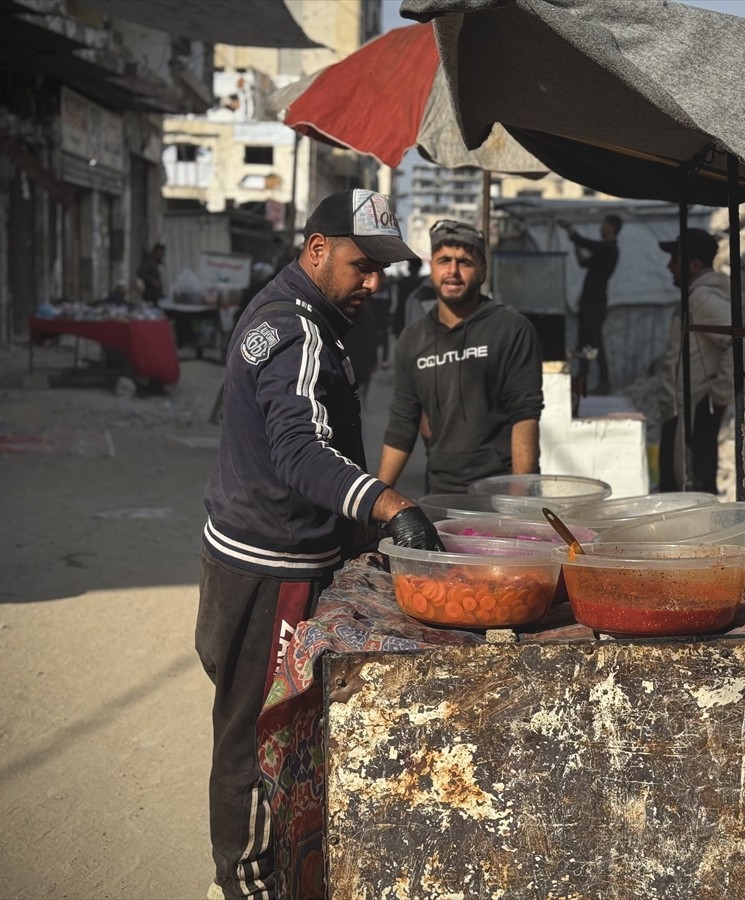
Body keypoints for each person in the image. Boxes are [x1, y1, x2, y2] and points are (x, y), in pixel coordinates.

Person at [197, 189, 445, 900]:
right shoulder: (295, 328)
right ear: (316, 249)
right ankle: (244, 882)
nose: (373, 284)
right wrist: (387, 501)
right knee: (254, 733)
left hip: (262, 557)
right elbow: (300, 452)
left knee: (276, 729)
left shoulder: (310, 315)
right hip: (266, 569)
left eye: (381, 273)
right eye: (362, 266)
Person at [378, 219, 545, 495]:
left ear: (482, 271)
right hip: (440, 492)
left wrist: (519, 504)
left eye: (464, 262)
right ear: (432, 267)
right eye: (444, 260)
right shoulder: (413, 339)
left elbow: (525, 416)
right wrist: (377, 498)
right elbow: (401, 424)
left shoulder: (512, 329)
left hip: (499, 491)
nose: (452, 271)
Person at [656, 228, 736, 495]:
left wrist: (718, 394)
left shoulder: (701, 297)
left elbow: (742, 341)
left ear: (694, 264)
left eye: (675, 261)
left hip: (695, 406)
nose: (669, 267)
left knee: (693, 491)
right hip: (684, 407)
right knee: (681, 488)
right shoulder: (696, 295)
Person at [559, 215, 621, 394]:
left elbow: (585, 243)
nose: (601, 227)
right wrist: (575, 242)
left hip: (595, 303)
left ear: (612, 227)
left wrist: (571, 232)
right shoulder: (604, 250)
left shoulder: (609, 249)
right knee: (583, 343)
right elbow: (583, 262)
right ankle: (581, 381)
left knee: (595, 342)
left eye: (604, 224)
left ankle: (604, 383)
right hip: (589, 302)